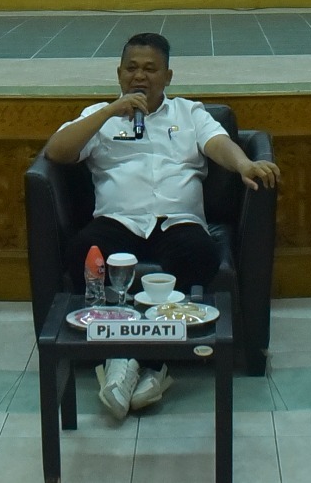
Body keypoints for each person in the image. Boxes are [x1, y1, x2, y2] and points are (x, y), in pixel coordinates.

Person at [45, 32, 280, 420]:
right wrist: (109, 112)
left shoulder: (189, 113)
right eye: (132, 68)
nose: (140, 76)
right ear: (119, 74)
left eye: (150, 69)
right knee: (82, 250)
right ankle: (141, 362)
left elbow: (219, 143)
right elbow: (56, 151)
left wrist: (244, 165)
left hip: (177, 223)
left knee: (200, 253)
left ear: (168, 76)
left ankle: (133, 362)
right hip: (119, 221)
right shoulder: (98, 116)